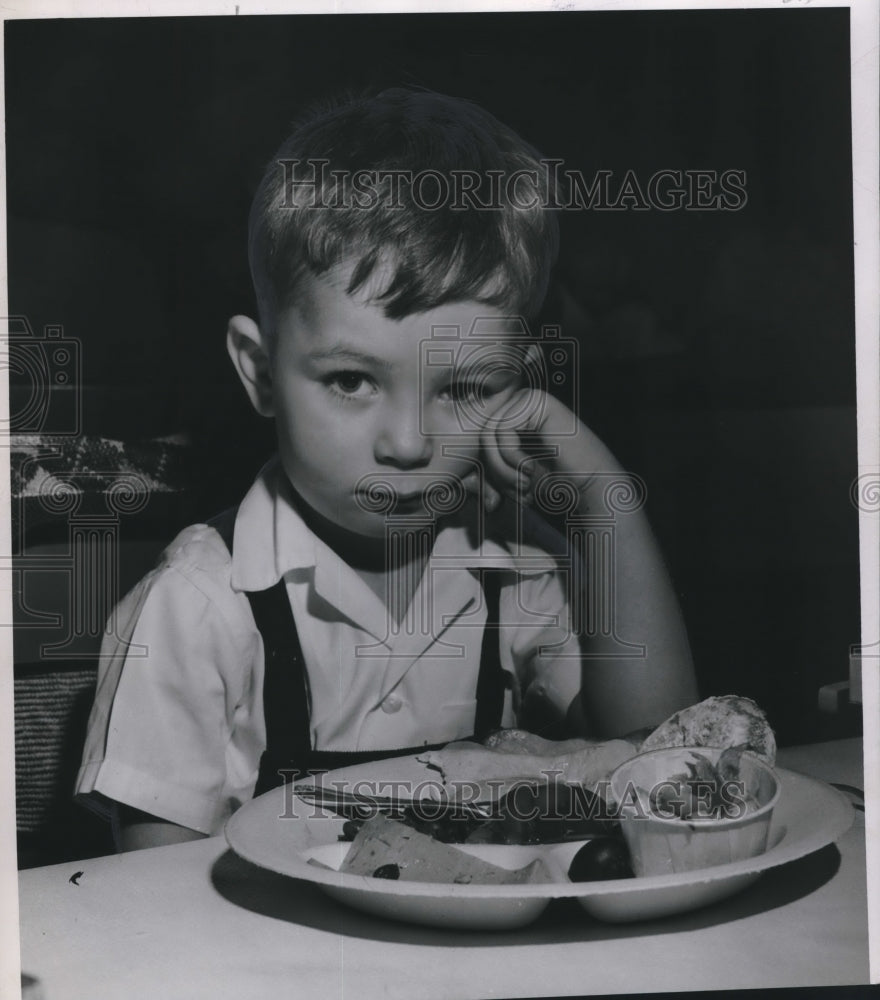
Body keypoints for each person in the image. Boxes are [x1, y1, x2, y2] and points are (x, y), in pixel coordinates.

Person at [75, 88, 698, 851]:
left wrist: (607, 504)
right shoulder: (197, 608)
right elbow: (154, 896)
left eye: (464, 389)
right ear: (261, 372)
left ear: (519, 383)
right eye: (351, 380)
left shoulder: (517, 569)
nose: (407, 444)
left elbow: (660, 768)